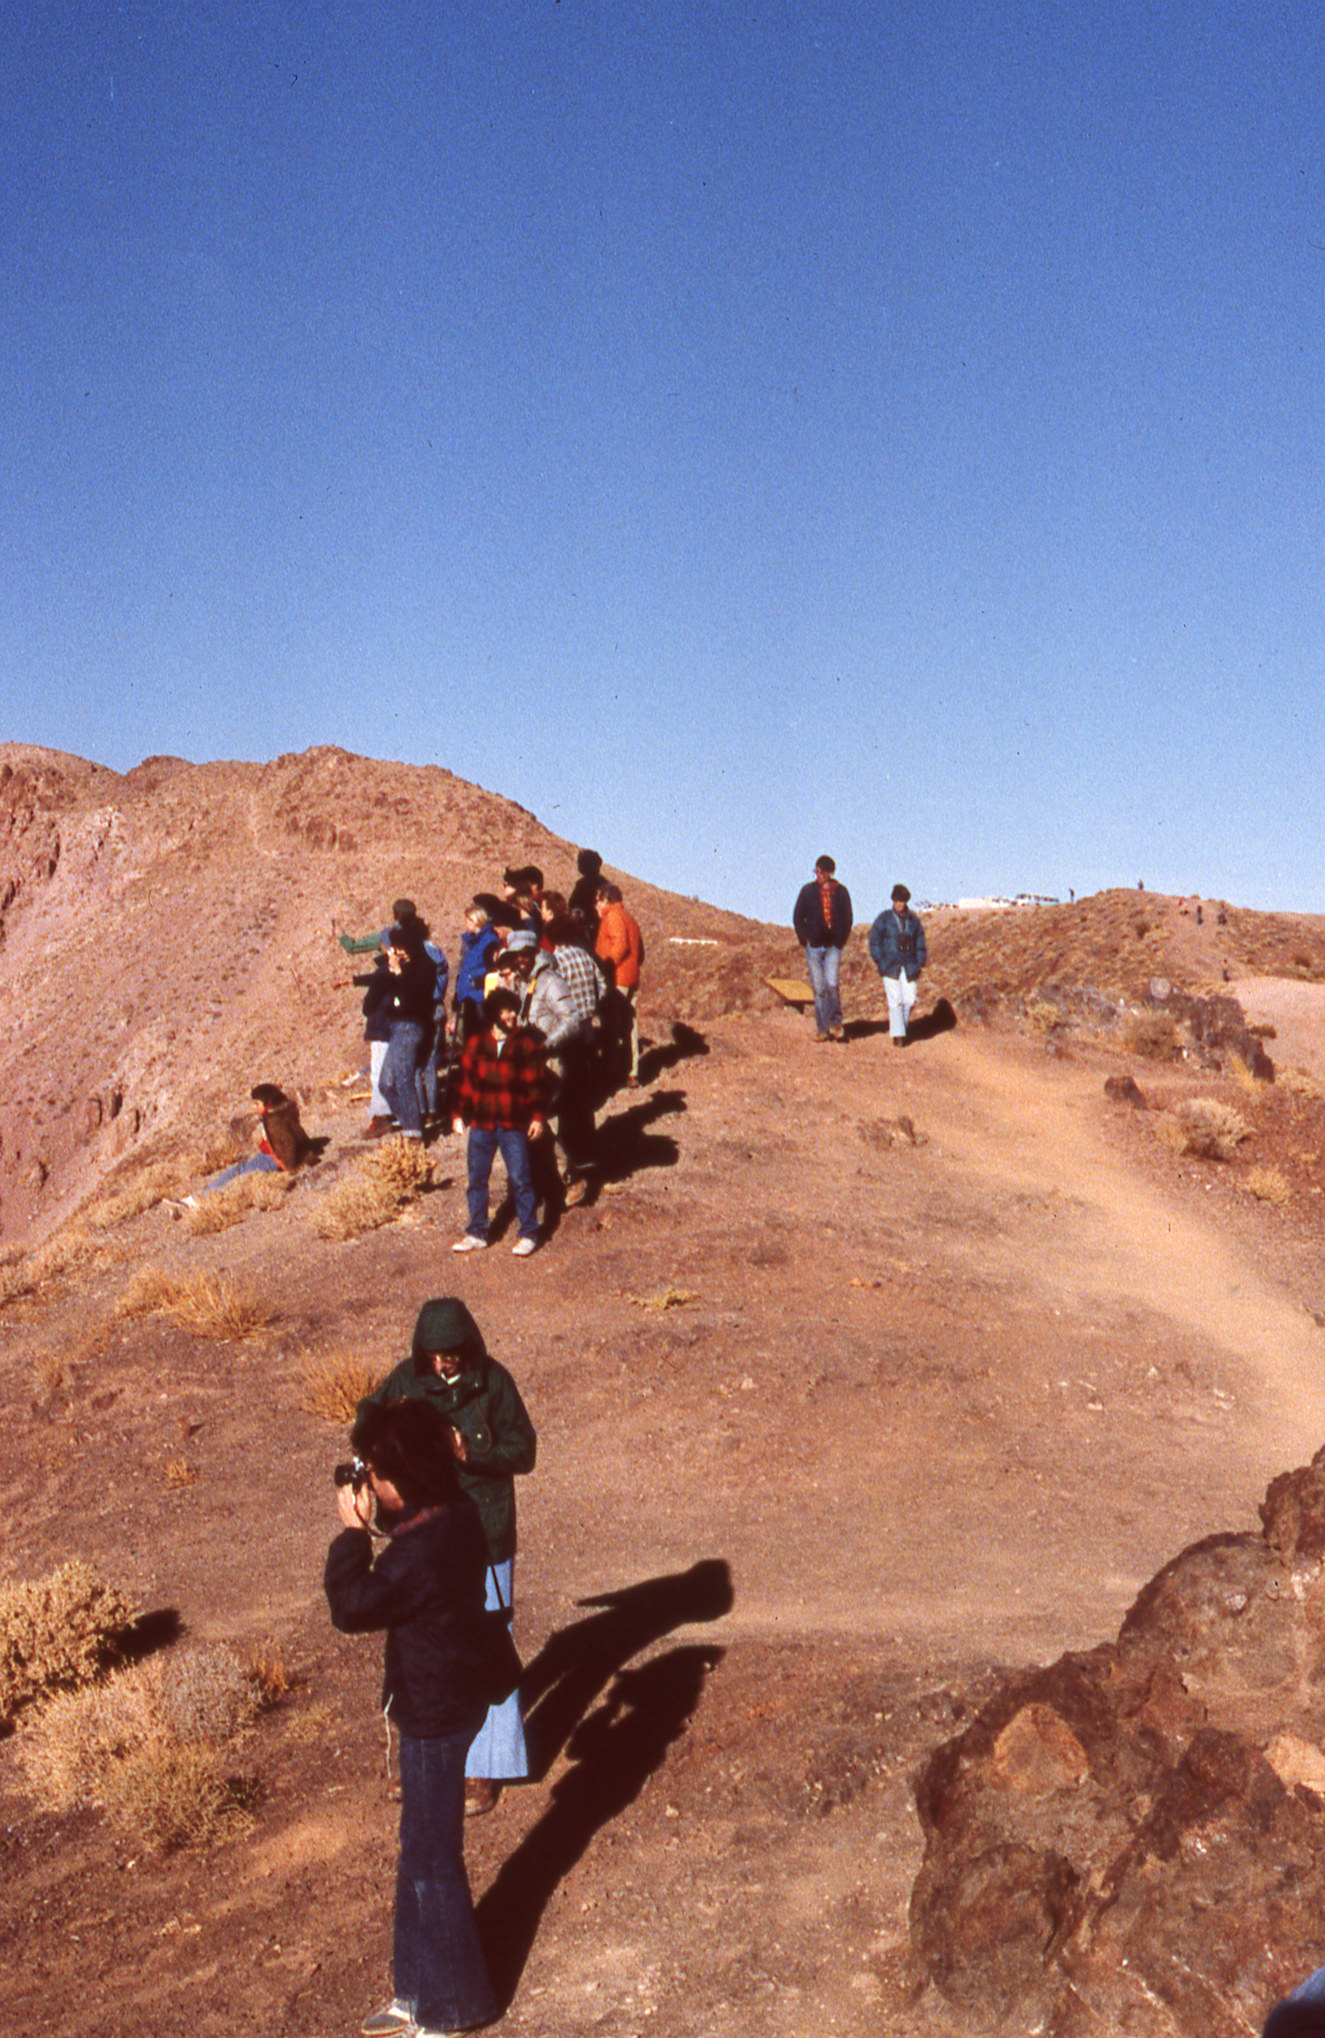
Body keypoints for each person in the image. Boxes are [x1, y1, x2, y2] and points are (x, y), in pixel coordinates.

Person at [325, 1397, 497, 2038]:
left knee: (433, 1859)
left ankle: (456, 2007)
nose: (367, 1481)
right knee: (417, 1851)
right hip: (453, 1696)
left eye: (375, 1471)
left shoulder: (418, 1550)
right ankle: (416, 1991)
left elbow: (353, 1605)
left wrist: (350, 1534)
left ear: (407, 1478)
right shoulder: (455, 1514)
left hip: (433, 1710)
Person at [359, 1297, 536, 1817]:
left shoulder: (494, 1384)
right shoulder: (404, 1383)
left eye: (452, 1355)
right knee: (425, 1643)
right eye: (434, 1356)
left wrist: (471, 1455)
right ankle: (423, 1763)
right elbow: (370, 1423)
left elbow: (523, 1451)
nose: (443, 1365)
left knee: (488, 1642)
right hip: (427, 1537)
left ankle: (484, 1769)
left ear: (468, 1348)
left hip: (484, 1532)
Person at [451, 986, 550, 1256]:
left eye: (513, 1011)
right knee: (476, 1179)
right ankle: (476, 1232)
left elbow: (537, 1087)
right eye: (505, 1012)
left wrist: (538, 1117)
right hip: (481, 1125)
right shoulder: (475, 1044)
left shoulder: (526, 1045)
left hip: (512, 1124)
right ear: (494, 1014)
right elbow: (466, 1084)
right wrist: (458, 1114)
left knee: (520, 1177)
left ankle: (529, 1232)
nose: (511, 1017)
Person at [496, 935, 591, 1210]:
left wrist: (545, 1044)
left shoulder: (549, 981)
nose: (520, 960)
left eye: (524, 954)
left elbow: (571, 1020)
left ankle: (570, 1177)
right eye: (515, 956)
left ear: (534, 952)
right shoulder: (523, 984)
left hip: (549, 1062)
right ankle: (551, 1179)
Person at [196, 1084, 311, 1196]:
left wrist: (288, 1168)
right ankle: (205, 1193)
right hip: (270, 1155)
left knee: (239, 1172)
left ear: (268, 1104)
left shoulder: (275, 1122)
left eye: (257, 1104)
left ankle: (203, 1196)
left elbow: (289, 1142)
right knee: (240, 1168)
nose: (253, 1107)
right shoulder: (280, 1114)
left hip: (272, 1160)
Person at [378, 921, 435, 1139]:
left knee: (403, 1079)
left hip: (411, 1026)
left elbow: (412, 1000)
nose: (397, 951)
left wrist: (399, 973)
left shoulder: (424, 967)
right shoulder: (405, 966)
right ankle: (411, 1123)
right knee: (386, 1083)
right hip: (397, 1027)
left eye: (400, 947)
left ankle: (414, 1133)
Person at [792, 855, 853, 1042]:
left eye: (821, 872)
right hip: (814, 947)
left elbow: (847, 918)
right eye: (816, 871)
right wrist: (805, 938)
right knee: (818, 988)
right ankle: (822, 1028)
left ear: (830, 873)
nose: (818, 874)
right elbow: (797, 916)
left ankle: (836, 1023)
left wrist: (840, 940)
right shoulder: (807, 891)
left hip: (833, 946)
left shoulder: (840, 892)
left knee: (832, 984)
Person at [594, 882, 644, 1088]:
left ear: (605, 899)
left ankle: (612, 1071)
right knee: (629, 1025)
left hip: (617, 978)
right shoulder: (629, 918)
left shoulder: (612, 916)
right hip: (631, 976)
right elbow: (639, 952)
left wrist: (606, 967)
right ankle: (632, 1072)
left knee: (612, 1026)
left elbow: (620, 945)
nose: (595, 906)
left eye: (597, 901)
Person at [868, 883, 928, 1047]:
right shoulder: (884, 919)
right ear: (893, 901)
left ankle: (902, 1028)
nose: (899, 904)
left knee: (910, 999)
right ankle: (898, 1036)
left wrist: (919, 962)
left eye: (902, 901)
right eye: (897, 901)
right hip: (890, 966)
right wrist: (881, 960)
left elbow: (920, 942)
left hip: (909, 965)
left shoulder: (914, 921)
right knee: (895, 1000)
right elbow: (874, 940)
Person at [454, 900, 500, 1043]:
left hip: (478, 997)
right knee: (469, 1038)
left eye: (467, 920)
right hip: (468, 995)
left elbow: (492, 968)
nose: (465, 924)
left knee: (479, 1037)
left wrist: (477, 982)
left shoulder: (489, 942)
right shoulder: (471, 943)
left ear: (474, 921)